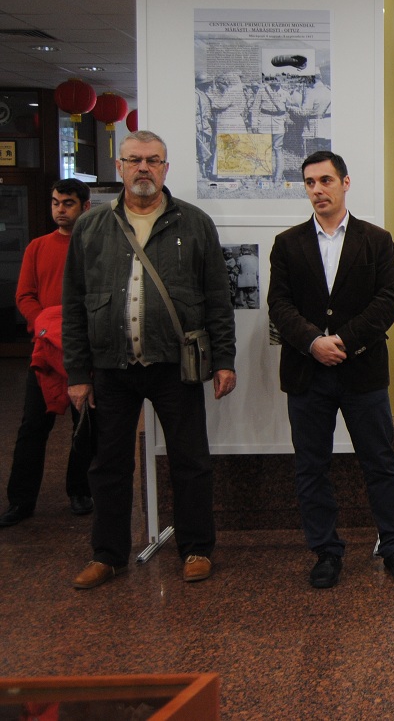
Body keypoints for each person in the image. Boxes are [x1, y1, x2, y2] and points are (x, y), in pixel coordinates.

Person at [62, 130, 237, 588]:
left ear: (165, 168)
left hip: (175, 365)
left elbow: (218, 299)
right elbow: (74, 304)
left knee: (190, 461)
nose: (144, 168)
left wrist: (224, 359)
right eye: (135, 159)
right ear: (120, 167)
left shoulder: (194, 223)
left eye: (153, 160)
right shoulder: (90, 227)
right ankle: (108, 554)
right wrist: (77, 372)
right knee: (108, 464)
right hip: (111, 366)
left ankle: (196, 548)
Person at [267, 150, 394, 588]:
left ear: (345, 183)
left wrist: (344, 342)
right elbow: (279, 304)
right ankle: (326, 552)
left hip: (362, 370)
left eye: (326, 180)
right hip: (306, 372)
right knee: (311, 466)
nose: (318, 190)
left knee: (380, 462)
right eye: (310, 183)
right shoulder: (288, 243)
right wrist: (313, 342)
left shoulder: (376, 240)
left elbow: (388, 301)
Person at [0, 179, 94, 527]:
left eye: (68, 203)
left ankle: (80, 491)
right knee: (32, 427)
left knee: (85, 426)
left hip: (84, 349)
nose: (60, 209)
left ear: (85, 206)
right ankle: (21, 501)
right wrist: (46, 324)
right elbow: (24, 296)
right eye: (56, 202)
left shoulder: (94, 245)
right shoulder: (37, 247)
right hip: (45, 350)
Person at [236, 244, 259, 309]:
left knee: (241, 302)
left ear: (242, 250)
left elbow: (237, 269)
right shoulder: (256, 259)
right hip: (253, 282)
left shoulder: (240, 259)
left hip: (242, 284)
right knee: (253, 301)